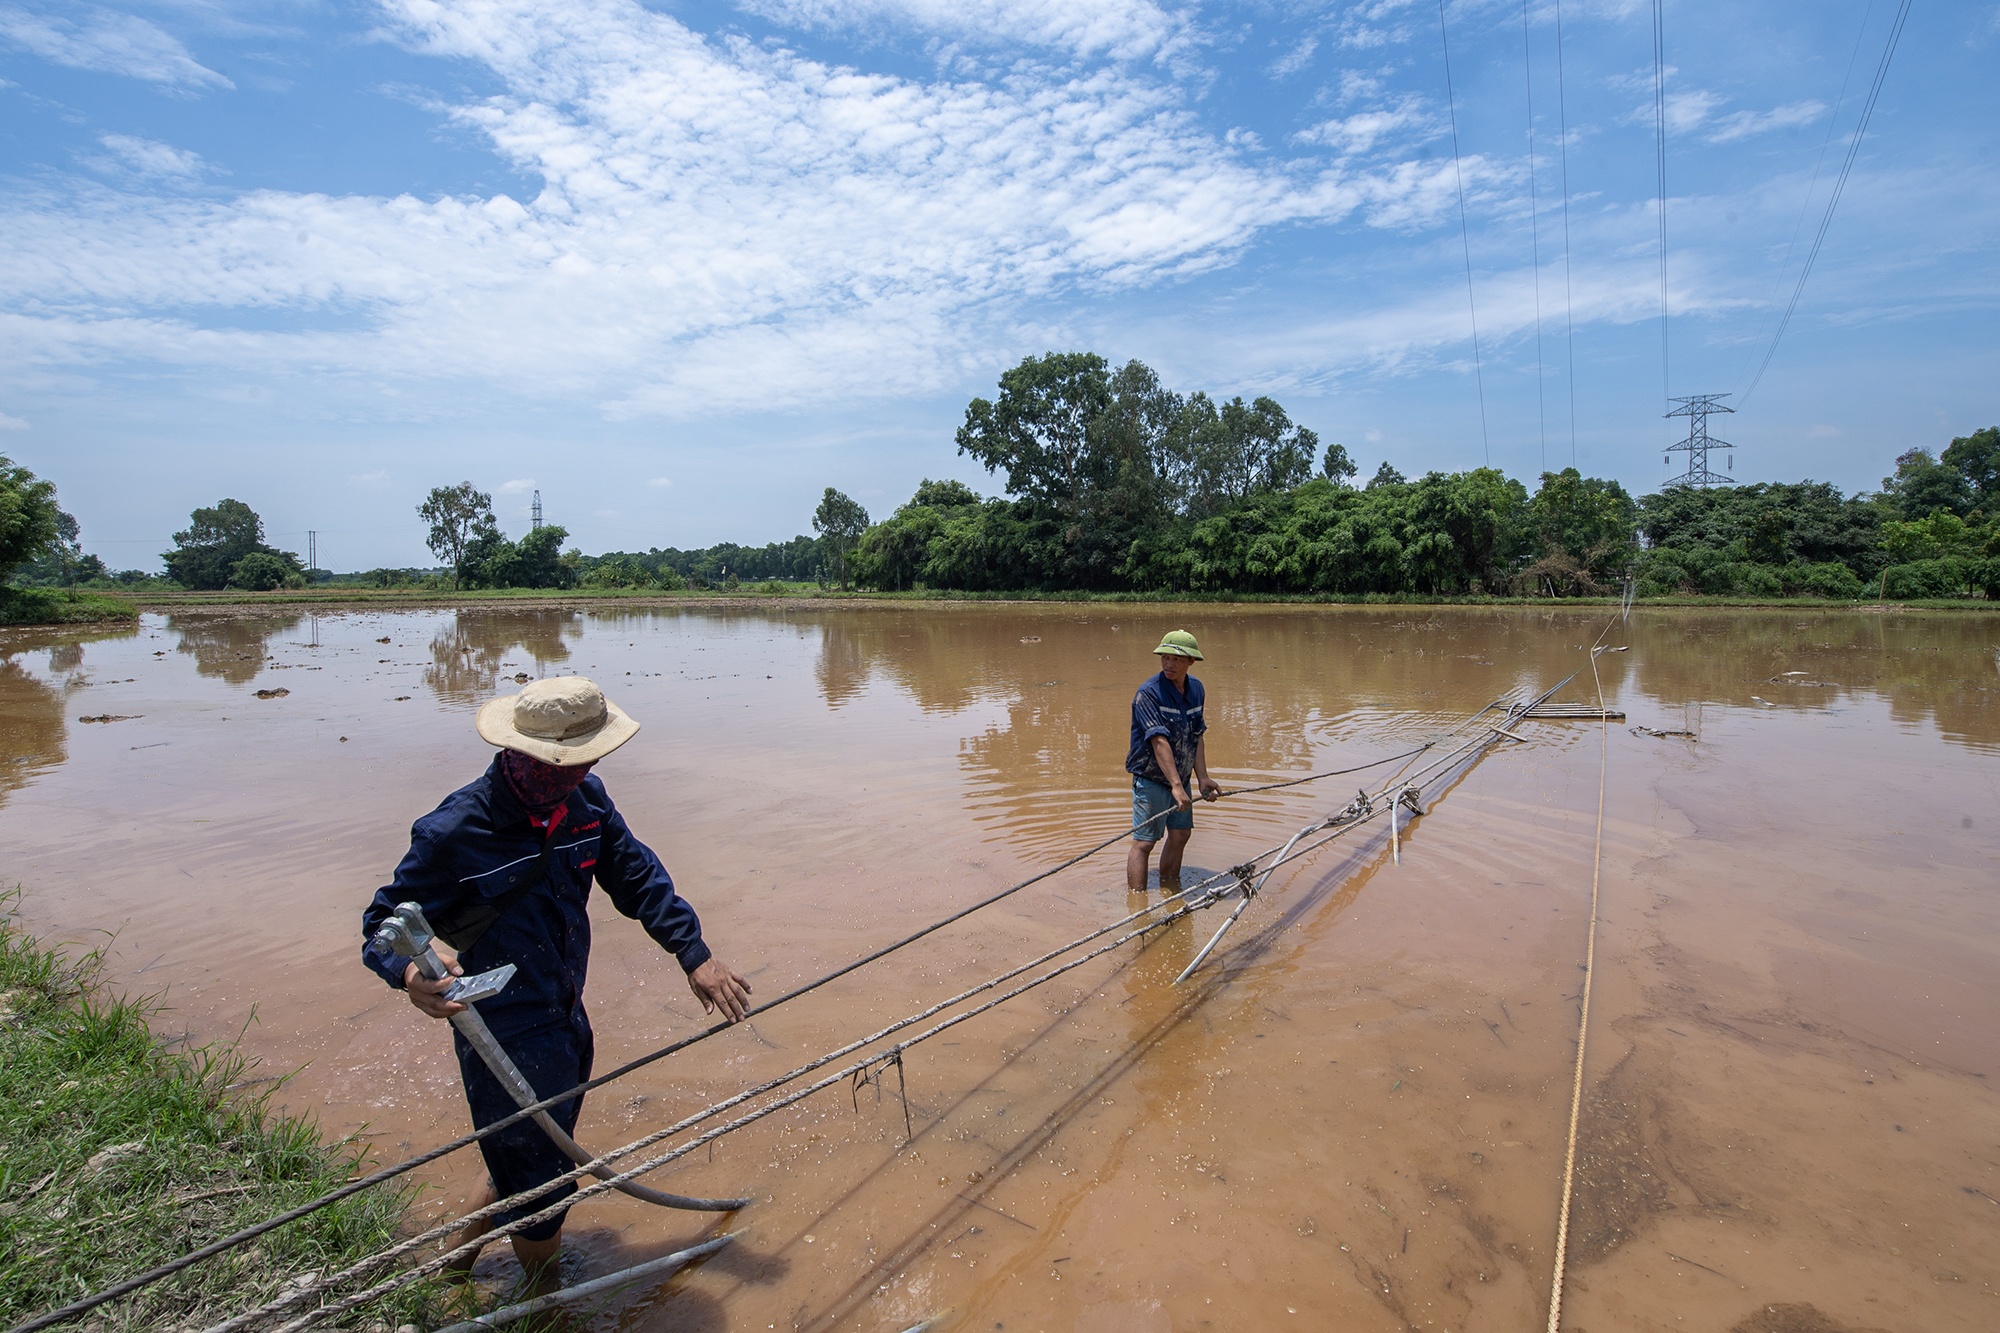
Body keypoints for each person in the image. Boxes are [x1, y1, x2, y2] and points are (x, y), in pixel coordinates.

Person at [360, 676, 752, 1277]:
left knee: (531, 1148)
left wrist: (693, 953)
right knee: (543, 1184)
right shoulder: (456, 830)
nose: (586, 769)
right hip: (501, 1028)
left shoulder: (586, 802)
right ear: (525, 753)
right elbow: (382, 924)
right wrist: (412, 972)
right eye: (571, 761)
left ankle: (451, 1268)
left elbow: (637, 877)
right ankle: (544, 1297)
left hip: (567, 1008)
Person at [1126, 630, 1221, 893]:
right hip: (1152, 778)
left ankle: (1170, 891)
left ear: (1191, 661)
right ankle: (1137, 902)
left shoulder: (1197, 690)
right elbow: (1159, 741)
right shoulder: (1149, 693)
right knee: (1144, 842)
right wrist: (1176, 786)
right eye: (1165, 658)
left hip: (1181, 777)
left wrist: (1203, 778)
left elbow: (1196, 735)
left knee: (1180, 835)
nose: (1169, 664)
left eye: (1177, 659)